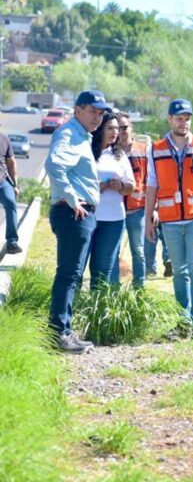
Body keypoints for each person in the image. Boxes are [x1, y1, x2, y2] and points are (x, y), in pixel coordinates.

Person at [145, 99, 193, 332]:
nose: (184, 123)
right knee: (179, 271)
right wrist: (149, 218)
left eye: (187, 118)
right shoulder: (157, 148)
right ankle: (183, 321)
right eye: (179, 118)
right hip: (170, 221)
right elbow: (152, 184)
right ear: (170, 119)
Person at [46, 89, 110, 353]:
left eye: (100, 113)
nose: (97, 117)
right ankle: (58, 334)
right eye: (92, 111)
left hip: (79, 213)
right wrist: (73, 199)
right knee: (69, 275)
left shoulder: (81, 135)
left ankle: (64, 331)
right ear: (77, 110)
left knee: (72, 275)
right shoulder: (70, 134)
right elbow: (54, 165)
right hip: (73, 213)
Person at [89, 112, 135, 287]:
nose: (115, 132)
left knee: (103, 270)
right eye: (110, 128)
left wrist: (121, 186)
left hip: (114, 221)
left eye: (117, 128)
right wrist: (95, 188)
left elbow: (132, 185)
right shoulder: (87, 151)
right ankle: (74, 308)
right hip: (88, 217)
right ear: (100, 128)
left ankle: (96, 307)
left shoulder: (119, 155)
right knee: (78, 268)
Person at [111, 113, 147, 288]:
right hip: (115, 208)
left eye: (124, 127)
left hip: (137, 209)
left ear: (131, 127)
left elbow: (151, 180)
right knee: (113, 250)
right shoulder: (111, 151)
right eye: (118, 128)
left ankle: (139, 287)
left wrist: (153, 208)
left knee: (138, 250)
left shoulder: (143, 150)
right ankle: (113, 287)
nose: (122, 132)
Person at [0, 124, 21, 254]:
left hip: (2, 182)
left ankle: (12, 242)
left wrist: (15, 184)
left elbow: (11, 162)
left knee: (11, 203)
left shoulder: (4, 139)